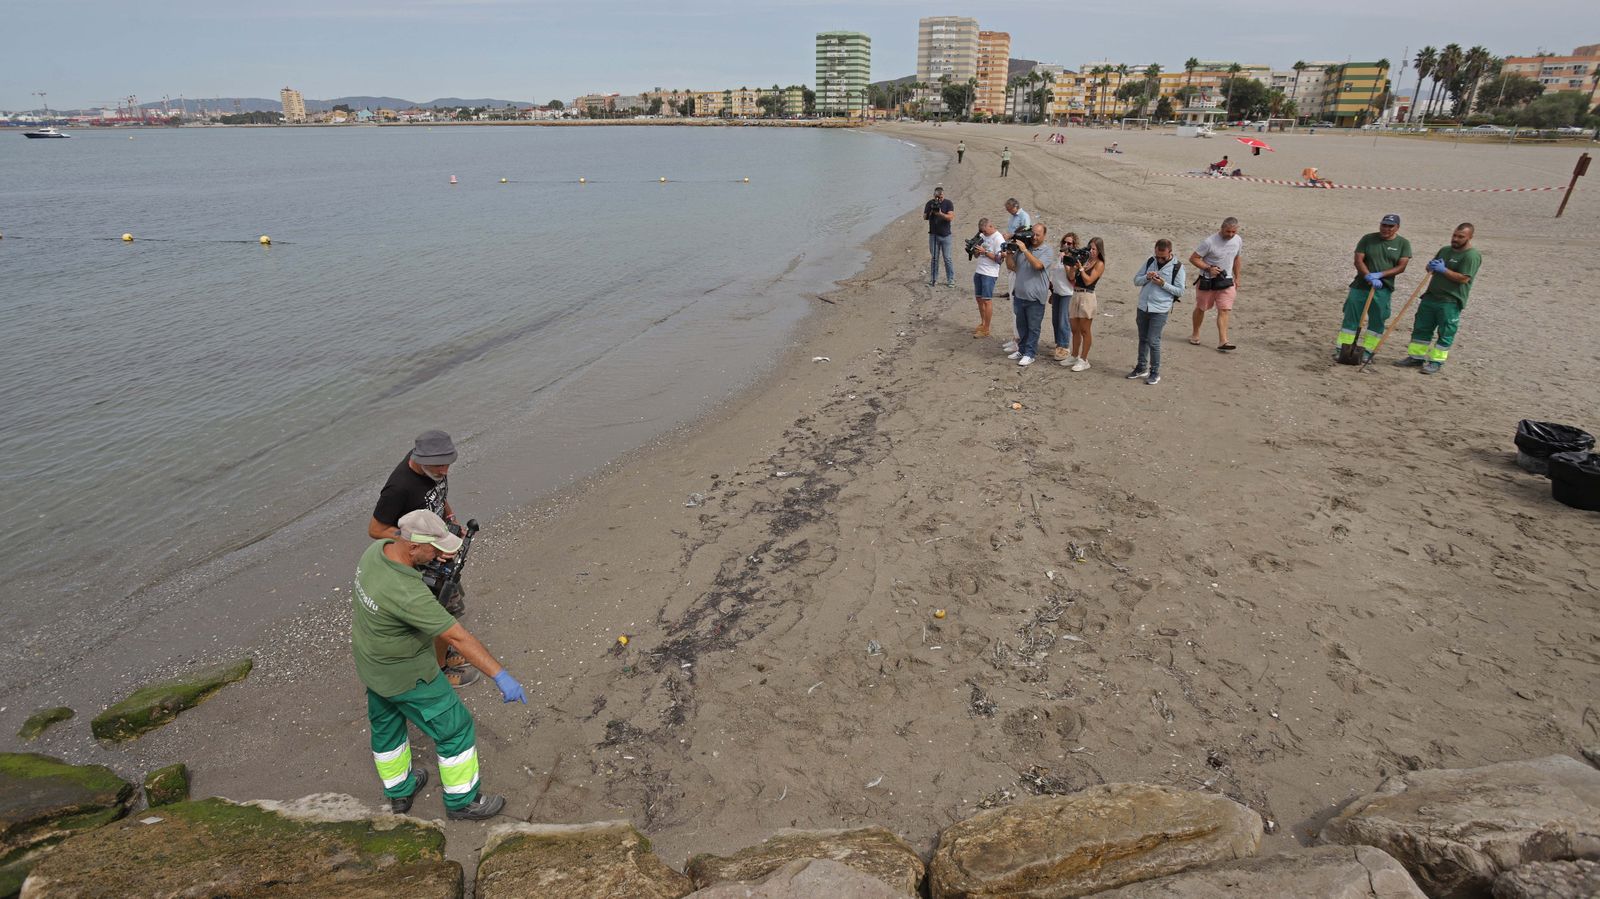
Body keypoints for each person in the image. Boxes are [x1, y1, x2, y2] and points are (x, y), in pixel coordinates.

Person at [353, 509, 524, 821]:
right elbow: (457, 638)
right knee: (455, 728)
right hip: (408, 674)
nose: (441, 553)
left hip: (372, 666)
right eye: (435, 548)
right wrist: (501, 675)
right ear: (414, 546)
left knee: (387, 727)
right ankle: (463, 801)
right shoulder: (408, 594)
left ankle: (400, 791)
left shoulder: (375, 553)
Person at [370, 430, 475, 684]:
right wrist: (419, 541)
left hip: (439, 552)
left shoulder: (433, 469)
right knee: (440, 616)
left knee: (453, 607)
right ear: (420, 459)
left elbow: (439, 495)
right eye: (439, 466)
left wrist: (449, 519)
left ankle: (445, 651)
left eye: (448, 464)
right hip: (422, 562)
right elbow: (375, 529)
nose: (445, 471)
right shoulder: (398, 487)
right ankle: (439, 671)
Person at [1395, 223, 1481, 375]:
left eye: (1460, 237)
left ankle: (1436, 362)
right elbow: (1430, 271)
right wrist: (1430, 267)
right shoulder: (1445, 250)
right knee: (1421, 328)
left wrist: (1444, 270)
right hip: (1431, 297)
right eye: (1454, 235)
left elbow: (1463, 278)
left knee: (1446, 331)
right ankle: (1416, 357)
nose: (1455, 239)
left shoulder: (1471, 256)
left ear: (1470, 237)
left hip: (1450, 301)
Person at [1336, 214, 1412, 363]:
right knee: (1351, 318)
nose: (1386, 229)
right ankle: (1342, 349)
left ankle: (1367, 351)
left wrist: (1381, 275)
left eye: (1390, 226)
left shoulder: (1403, 244)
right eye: (1384, 225)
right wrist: (1368, 276)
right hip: (1360, 286)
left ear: (1397, 227)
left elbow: (1401, 266)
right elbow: (1358, 260)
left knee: (1377, 321)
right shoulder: (1368, 239)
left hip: (1383, 288)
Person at [1128, 239, 1186, 385]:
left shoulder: (1177, 267)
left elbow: (1180, 291)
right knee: (1143, 338)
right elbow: (1136, 281)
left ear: (1170, 253)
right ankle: (1141, 367)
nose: (1159, 259)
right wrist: (1147, 277)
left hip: (1160, 309)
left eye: (1163, 257)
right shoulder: (1150, 261)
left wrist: (1163, 284)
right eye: (1157, 256)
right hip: (1143, 306)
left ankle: (1155, 372)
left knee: (1153, 340)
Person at [1188, 217, 1243, 352]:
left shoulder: (1238, 240)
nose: (1230, 235)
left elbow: (1236, 258)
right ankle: (1195, 333)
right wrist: (1208, 268)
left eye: (1233, 232)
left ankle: (1223, 341)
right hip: (1207, 280)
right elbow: (1193, 258)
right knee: (1201, 308)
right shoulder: (1209, 242)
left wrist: (1237, 278)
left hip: (1227, 281)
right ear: (1221, 228)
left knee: (1224, 310)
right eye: (1228, 231)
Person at [1004, 221, 1054, 366]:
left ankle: (1030, 354)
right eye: (1033, 234)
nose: (1034, 237)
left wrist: (1025, 250)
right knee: (1022, 326)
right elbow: (1012, 267)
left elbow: (1038, 265)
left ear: (1044, 235)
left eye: (1038, 235)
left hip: (1036, 298)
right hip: (1020, 295)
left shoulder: (1047, 251)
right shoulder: (1023, 249)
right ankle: (1022, 349)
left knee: (1033, 327)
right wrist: (1008, 254)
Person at [1060, 237, 1105, 371]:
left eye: (1094, 249)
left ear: (1099, 250)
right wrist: (1074, 267)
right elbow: (1071, 277)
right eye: (1090, 248)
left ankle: (1084, 359)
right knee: (1074, 329)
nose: (1091, 251)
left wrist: (1081, 269)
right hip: (1076, 294)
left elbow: (1088, 281)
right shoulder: (1085, 260)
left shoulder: (1099, 263)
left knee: (1085, 330)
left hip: (1087, 295)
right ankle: (1074, 355)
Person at [999, 199, 1034, 353]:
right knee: (1013, 305)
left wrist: (1012, 235)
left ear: (1015, 207)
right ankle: (1015, 338)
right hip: (1012, 254)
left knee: (1017, 307)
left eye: (1009, 208)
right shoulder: (1012, 218)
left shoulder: (1024, 217)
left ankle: (1019, 340)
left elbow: (1024, 233)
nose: (1008, 211)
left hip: (1018, 258)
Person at [970, 217, 1006, 338]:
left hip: (989, 273)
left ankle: (986, 328)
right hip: (979, 270)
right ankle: (983, 323)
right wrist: (974, 250)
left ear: (991, 226)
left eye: (985, 231)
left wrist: (985, 252)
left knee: (987, 300)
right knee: (979, 299)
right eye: (982, 231)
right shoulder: (982, 236)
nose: (983, 233)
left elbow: (999, 260)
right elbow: (976, 256)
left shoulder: (998, 239)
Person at [1048, 233, 1080, 360]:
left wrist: (1066, 261)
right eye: (1064, 242)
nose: (1066, 245)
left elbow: (1071, 277)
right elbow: (1054, 275)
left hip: (1067, 293)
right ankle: (1059, 344)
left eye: (1069, 243)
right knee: (1055, 320)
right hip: (1057, 292)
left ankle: (1064, 346)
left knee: (1063, 321)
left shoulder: (1073, 259)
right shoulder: (1059, 257)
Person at [924, 186, 956, 288]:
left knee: (947, 258)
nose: (939, 199)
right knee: (934, 258)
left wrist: (941, 213)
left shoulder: (948, 203)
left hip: (946, 235)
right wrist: (931, 212)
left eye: (941, 197)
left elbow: (950, 217)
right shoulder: (930, 204)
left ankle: (950, 279)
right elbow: (925, 217)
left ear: (943, 195)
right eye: (937, 197)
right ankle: (933, 279)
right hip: (933, 235)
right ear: (934, 195)